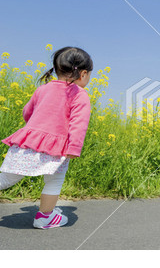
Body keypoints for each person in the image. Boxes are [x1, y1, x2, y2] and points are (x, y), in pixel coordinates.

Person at [0, 47, 93, 229]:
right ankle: (45, 217)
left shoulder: (42, 89)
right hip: (56, 148)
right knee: (54, 180)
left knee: (7, 178)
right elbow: (78, 124)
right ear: (83, 74)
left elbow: (27, 112)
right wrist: (73, 149)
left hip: (28, 141)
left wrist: (36, 129)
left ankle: (46, 215)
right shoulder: (80, 95)